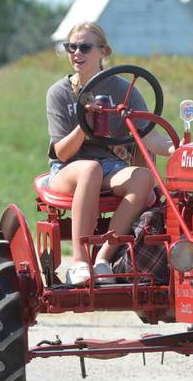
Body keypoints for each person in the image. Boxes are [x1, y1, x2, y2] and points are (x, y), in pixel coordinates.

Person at [46, 21, 175, 286]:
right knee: (89, 169)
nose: (76, 53)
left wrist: (176, 148)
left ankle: (103, 258)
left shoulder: (122, 91)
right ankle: (80, 262)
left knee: (142, 178)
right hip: (68, 168)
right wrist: (85, 123)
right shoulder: (59, 93)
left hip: (109, 167)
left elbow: (147, 135)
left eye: (84, 47)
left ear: (103, 51)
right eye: (71, 47)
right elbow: (61, 151)